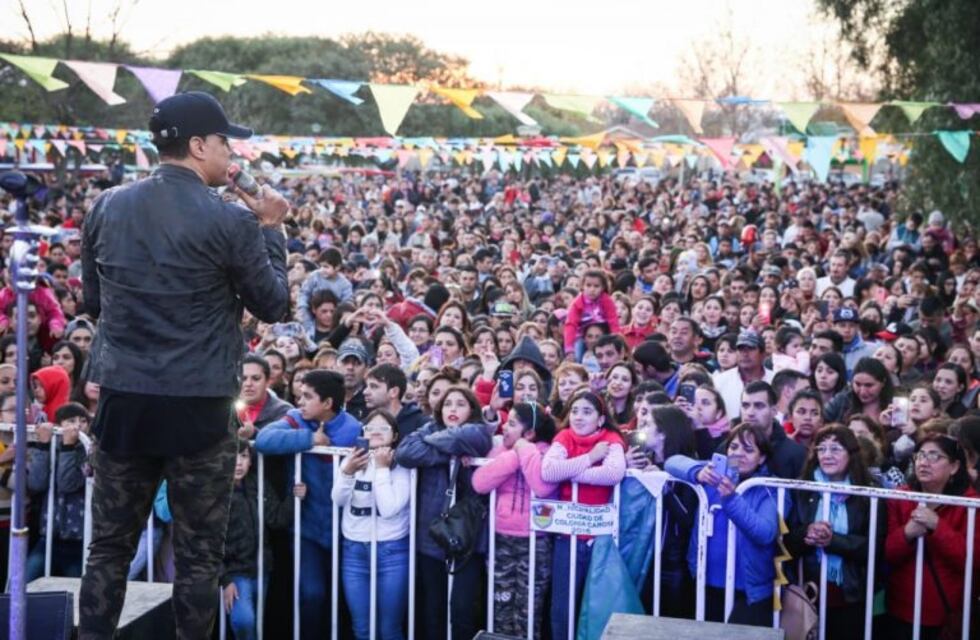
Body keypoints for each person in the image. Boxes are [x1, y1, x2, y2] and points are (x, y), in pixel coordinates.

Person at [79, 91, 290, 639]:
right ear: (198, 145)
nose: (230, 153)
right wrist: (271, 229)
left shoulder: (106, 206)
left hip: (125, 399)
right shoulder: (232, 220)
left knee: (108, 550)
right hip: (199, 407)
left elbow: (93, 302)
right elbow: (274, 304)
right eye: (224, 142)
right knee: (199, 558)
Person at [254, 369, 362, 640]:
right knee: (311, 594)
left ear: (327, 403)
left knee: (345, 599)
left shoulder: (353, 428)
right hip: (307, 532)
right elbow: (264, 440)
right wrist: (309, 439)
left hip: (346, 531)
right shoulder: (295, 419)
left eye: (307, 396)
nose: (299, 401)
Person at [394, 385, 493, 640]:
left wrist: (434, 445)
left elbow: (471, 438)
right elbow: (405, 452)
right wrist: (451, 451)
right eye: (448, 404)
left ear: (471, 409)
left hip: (468, 536)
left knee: (461, 610)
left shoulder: (478, 430)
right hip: (432, 535)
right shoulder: (429, 428)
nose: (453, 409)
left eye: (460, 404)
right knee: (433, 609)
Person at [666, 424, 783, 626]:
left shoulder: (770, 488)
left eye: (748, 449)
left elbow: (765, 532)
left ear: (762, 458)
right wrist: (697, 472)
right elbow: (672, 462)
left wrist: (731, 498)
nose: (739, 454)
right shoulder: (714, 474)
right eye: (734, 447)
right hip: (705, 581)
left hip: (748, 591)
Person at [784, 426, 885, 640]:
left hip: (851, 595)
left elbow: (874, 547)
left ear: (851, 454)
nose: (827, 455)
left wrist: (833, 541)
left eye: (836, 449)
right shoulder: (802, 489)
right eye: (821, 449)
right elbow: (786, 541)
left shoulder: (869, 493)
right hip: (807, 593)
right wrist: (807, 533)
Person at [540, 389, 626, 640]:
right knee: (562, 605)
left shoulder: (611, 439)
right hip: (567, 535)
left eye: (587, 412)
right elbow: (549, 471)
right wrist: (590, 458)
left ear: (601, 419)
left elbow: (613, 473)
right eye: (574, 411)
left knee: (596, 603)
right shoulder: (564, 436)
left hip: (600, 537)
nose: (578, 417)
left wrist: (572, 473)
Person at [471, 401, 557, 638]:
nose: (504, 428)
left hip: (536, 541)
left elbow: (541, 486)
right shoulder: (502, 450)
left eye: (512, 424)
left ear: (529, 433)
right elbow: (479, 483)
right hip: (501, 539)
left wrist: (524, 449)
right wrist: (514, 455)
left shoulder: (548, 453)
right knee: (501, 605)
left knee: (528, 611)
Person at [884, 434, 977, 639]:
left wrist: (937, 526)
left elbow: (972, 560)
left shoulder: (971, 504)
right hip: (901, 607)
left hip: (947, 610)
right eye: (920, 455)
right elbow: (887, 553)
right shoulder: (900, 496)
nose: (924, 462)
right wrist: (907, 533)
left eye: (934, 456)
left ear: (954, 467)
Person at [331, 410, 411, 640]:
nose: (375, 432)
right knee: (362, 628)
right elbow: (338, 500)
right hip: (354, 549)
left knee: (389, 629)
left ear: (395, 435)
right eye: (369, 428)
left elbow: (388, 508)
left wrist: (382, 468)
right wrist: (347, 473)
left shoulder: (402, 464)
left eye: (383, 428)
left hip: (391, 549)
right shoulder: (352, 459)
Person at [220, 442, 283, 640]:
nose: (238, 463)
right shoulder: (216, 491)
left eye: (244, 456)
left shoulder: (258, 484)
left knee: (256, 623)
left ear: (251, 460)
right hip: (234, 571)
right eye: (233, 455)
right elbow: (208, 542)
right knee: (244, 620)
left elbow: (277, 518)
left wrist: (295, 497)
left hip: (261, 568)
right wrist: (225, 579)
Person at [25, 402, 90, 581]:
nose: (77, 426)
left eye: (83, 421)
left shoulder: (88, 450)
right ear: (58, 424)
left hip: (78, 541)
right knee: (22, 584)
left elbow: (67, 484)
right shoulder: (52, 446)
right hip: (48, 537)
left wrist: (69, 447)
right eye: (71, 421)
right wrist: (43, 446)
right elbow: (36, 483)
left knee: (75, 590)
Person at [713, 330, 774, 420]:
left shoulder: (774, 380)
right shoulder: (719, 381)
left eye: (751, 348)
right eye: (740, 349)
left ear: (763, 354)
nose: (745, 354)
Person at [563, 270, 621, 362]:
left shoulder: (607, 300)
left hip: (604, 335)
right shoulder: (577, 303)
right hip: (582, 336)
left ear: (603, 287)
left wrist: (616, 339)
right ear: (582, 286)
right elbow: (571, 324)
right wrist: (569, 348)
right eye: (588, 285)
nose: (592, 289)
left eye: (596, 286)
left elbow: (613, 320)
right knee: (577, 354)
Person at [363, 364, 426, 439]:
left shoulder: (420, 424)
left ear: (394, 392)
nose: (365, 392)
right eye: (366, 386)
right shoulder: (366, 424)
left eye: (374, 386)